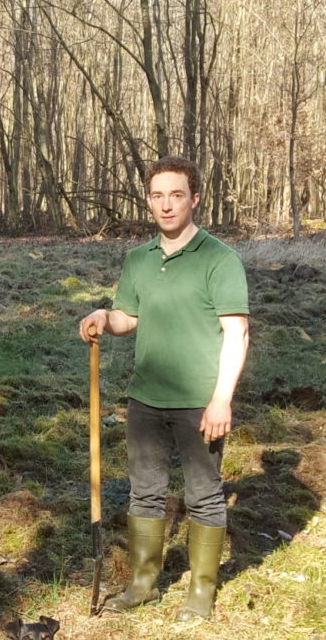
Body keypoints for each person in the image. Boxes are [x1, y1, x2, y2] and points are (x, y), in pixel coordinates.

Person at [77, 156, 249, 622]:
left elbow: (237, 333)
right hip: (146, 398)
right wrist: (102, 318)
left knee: (204, 495)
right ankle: (143, 583)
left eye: (176, 195)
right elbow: (128, 318)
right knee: (144, 492)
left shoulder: (220, 259)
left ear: (194, 199)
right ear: (148, 201)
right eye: (157, 196)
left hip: (200, 401)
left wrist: (221, 399)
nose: (166, 205)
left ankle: (200, 591)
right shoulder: (138, 259)